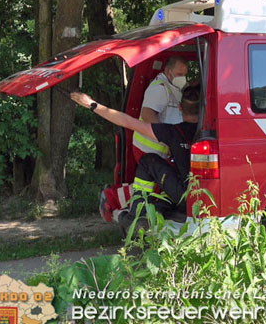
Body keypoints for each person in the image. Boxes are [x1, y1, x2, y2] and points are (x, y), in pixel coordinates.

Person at [71, 86, 200, 229]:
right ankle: (159, 210)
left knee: (148, 160)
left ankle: (138, 214)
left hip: (183, 195)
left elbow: (128, 122)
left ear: (180, 107)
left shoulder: (173, 132)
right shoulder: (214, 132)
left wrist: (92, 104)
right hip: (205, 197)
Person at [132, 56, 189, 164]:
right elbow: (147, 114)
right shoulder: (160, 88)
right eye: (180, 75)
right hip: (148, 150)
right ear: (168, 71)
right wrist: (165, 137)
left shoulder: (173, 85)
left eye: (185, 75)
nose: (183, 78)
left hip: (160, 151)